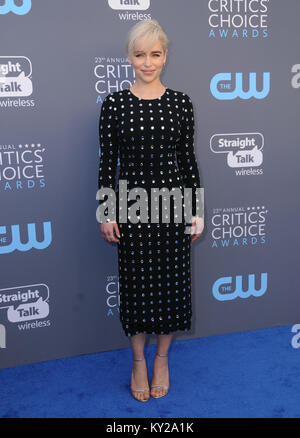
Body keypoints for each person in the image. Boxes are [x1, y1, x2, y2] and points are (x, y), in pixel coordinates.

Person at [97, 19, 204, 402]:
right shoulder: (114, 104)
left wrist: (196, 209)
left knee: (172, 288)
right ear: (129, 57)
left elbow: (187, 160)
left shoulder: (180, 103)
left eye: (154, 54)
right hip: (133, 210)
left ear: (165, 56)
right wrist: (107, 212)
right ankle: (138, 360)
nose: (147, 62)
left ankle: (162, 359)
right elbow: (108, 163)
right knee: (138, 288)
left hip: (173, 208)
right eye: (140, 54)